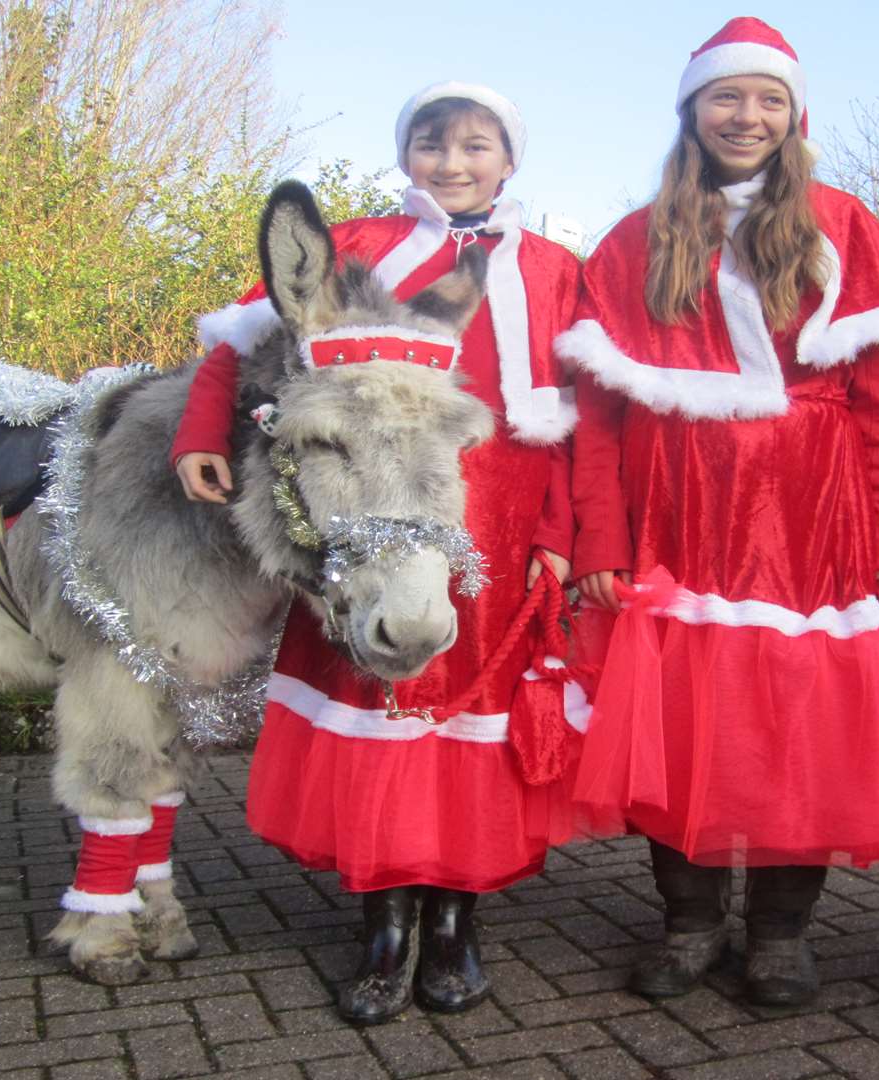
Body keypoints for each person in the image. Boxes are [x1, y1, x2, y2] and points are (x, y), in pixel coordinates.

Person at [559, 16, 879, 1007]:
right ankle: (691, 925)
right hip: (675, 515)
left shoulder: (846, 227)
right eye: (727, 95)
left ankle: (779, 936)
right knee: (677, 722)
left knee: (799, 727)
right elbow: (597, 418)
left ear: (794, 114)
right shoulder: (634, 239)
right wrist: (602, 537)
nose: (747, 114)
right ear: (693, 109)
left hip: (809, 523)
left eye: (767, 98)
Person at [172, 82, 584, 1025]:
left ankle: (455, 925)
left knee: (470, 724)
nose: (453, 161)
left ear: (508, 161)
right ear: (407, 156)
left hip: (500, 529)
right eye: (432, 143)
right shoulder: (354, 246)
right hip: (364, 528)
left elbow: (582, 422)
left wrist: (562, 536)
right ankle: (386, 927)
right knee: (376, 710)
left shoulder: (556, 268)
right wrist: (198, 433)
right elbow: (237, 344)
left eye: (477, 145)